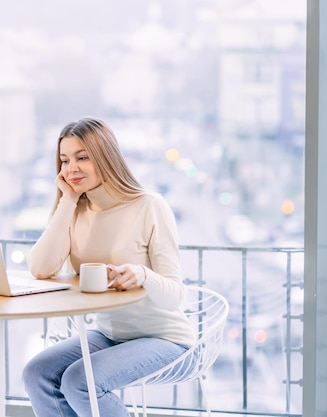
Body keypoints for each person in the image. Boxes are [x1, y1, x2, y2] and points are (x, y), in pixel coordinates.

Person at [22, 117, 197, 417]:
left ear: (105, 157)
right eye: (64, 160)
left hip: (166, 339)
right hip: (109, 335)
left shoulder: (149, 206)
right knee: (36, 373)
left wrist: (143, 275)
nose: (70, 168)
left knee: (80, 381)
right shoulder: (75, 210)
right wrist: (68, 200)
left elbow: (175, 296)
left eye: (82, 157)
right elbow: (40, 268)